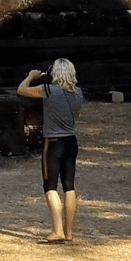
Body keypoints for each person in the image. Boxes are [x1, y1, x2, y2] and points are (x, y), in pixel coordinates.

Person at [17, 58, 85, 243]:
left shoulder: (48, 90)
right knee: (69, 185)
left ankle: (57, 230)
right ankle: (69, 232)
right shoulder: (78, 93)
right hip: (71, 141)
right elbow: (76, 115)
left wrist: (31, 76)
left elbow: (21, 90)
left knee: (50, 185)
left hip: (53, 142)